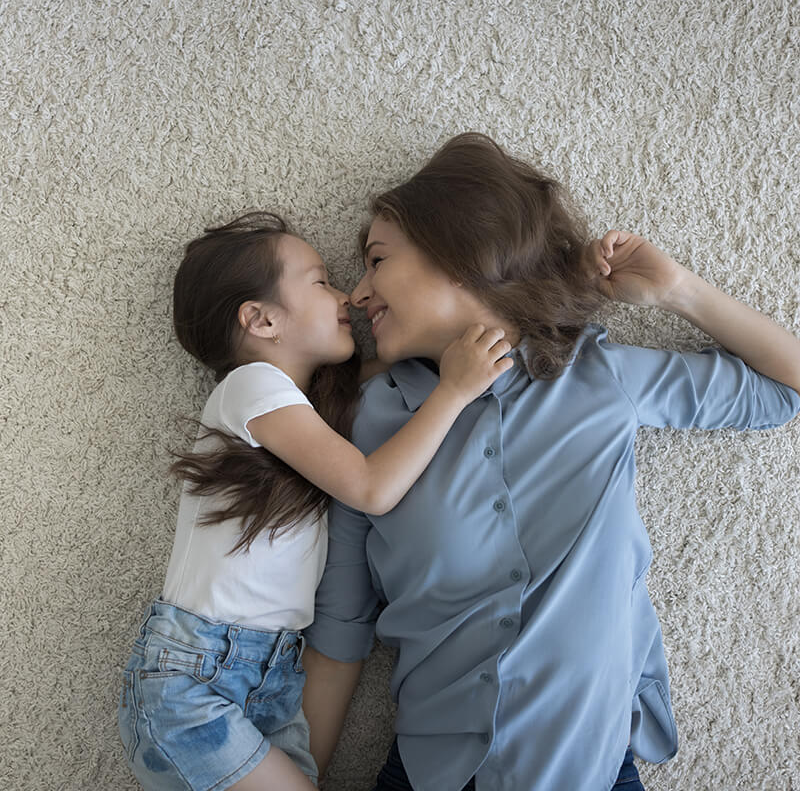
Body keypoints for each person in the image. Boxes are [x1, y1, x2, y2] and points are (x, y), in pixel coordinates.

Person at [300, 133, 800, 791]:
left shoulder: (599, 376)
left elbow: (783, 389)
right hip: (433, 775)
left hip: (592, 768)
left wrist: (679, 291)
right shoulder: (372, 424)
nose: (358, 294)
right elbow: (339, 631)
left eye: (376, 261)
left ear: (458, 252)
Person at [117, 211, 516, 791]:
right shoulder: (250, 387)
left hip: (269, 674)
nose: (346, 297)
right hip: (192, 681)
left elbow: (412, 359)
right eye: (322, 280)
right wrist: (454, 391)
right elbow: (372, 487)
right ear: (261, 319)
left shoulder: (310, 409)